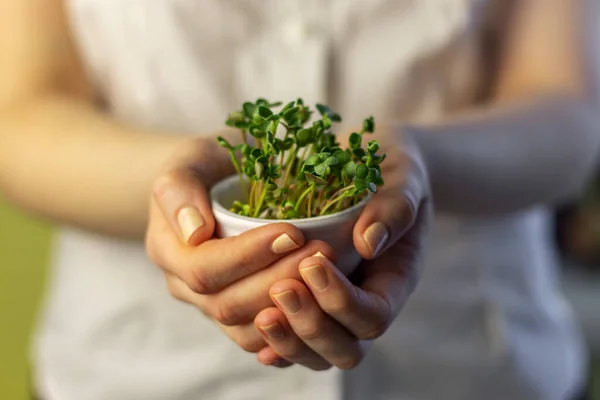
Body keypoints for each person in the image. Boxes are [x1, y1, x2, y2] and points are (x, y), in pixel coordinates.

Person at [0, 0, 598, 399]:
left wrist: (423, 160)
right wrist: (173, 189)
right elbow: (18, 117)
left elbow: (567, 111)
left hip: (471, 362)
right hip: (136, 373)